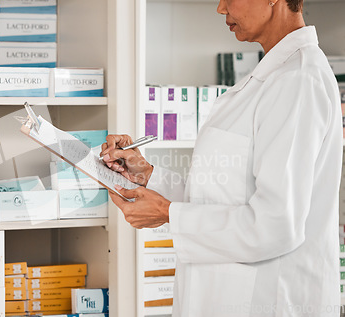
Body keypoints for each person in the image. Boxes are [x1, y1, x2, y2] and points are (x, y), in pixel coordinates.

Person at [100, 0, 343, 316]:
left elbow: (275, 225)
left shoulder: (297, 80)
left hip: (268, 300)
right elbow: (226, 194)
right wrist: (147, 175)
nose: (220, 7)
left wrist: (168, 213)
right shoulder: (273, 75)